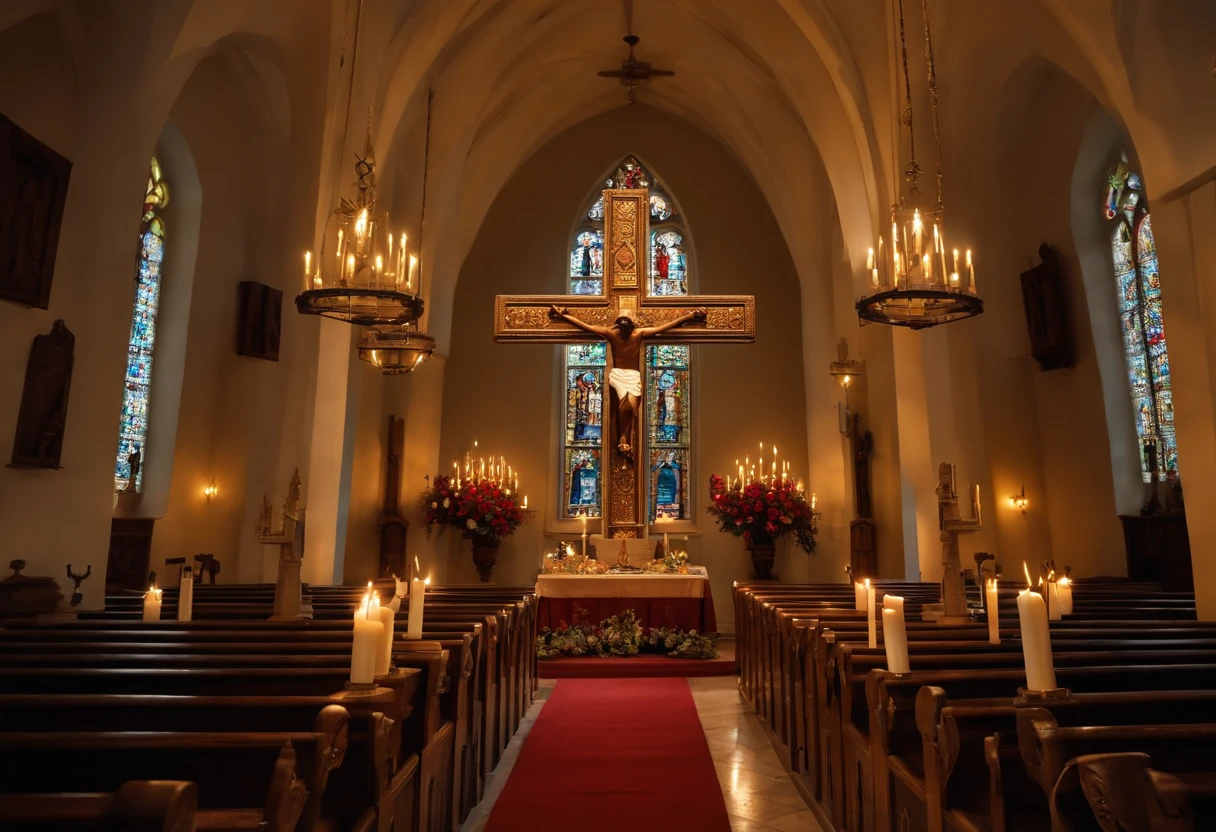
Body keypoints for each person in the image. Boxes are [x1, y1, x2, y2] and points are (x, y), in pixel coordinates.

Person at [549, 305, 706, 458]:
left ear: (631, 328)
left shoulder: (638, 334)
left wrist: (690, 316)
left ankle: (624, 439)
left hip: (633, 376)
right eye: (622, 331)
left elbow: (663, 328)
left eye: (626, 331)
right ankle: (623, 438)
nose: (624, 334)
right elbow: (587, 327)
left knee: (630, 408)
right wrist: (563, 316)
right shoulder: (611, 334)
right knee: (624, 405)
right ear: (618, 328)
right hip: (618, 375)